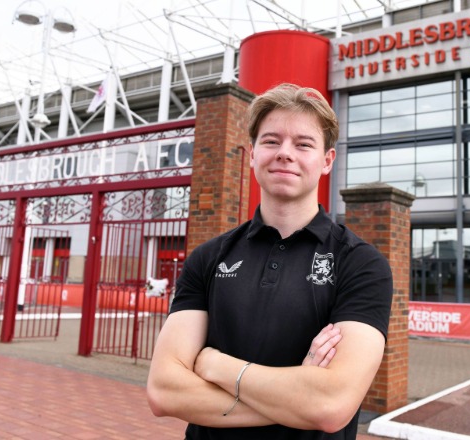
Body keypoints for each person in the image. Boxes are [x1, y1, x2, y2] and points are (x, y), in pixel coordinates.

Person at [147, 83, 393, 439]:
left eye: (303, 144)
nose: (285, 153)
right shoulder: (209, 258)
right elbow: (164, 391)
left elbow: (330, 405)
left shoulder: (361, 264)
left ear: (327, 161)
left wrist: (216, 365)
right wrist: (298, 398)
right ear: (251, 154)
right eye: (271, 141)